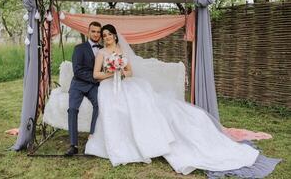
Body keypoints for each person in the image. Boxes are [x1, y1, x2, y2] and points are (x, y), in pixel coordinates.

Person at [85, 24, 280, 177]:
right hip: (109, 86)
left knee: (143, 100)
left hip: (127, 83)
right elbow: (96, 74)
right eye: (104, 36)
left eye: (110, 34)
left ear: (115, 36)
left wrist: (121, 69)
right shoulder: (102, 53)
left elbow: (130, 73)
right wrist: (112, 72)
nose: (107, 38)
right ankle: (126, 145)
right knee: (117, 107)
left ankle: (152, 139)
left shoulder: (121, 50)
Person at [65, 21, 103, 156]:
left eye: (98, 32)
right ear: (88, 32)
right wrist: (97, 77)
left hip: (94, 86)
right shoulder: (79, 48)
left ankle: (92, 138)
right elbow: (77, 71)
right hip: (78, 84)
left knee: (99, 105)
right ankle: (73, 145)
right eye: (93, 31)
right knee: (73, 109)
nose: (96, 34)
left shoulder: (104, 49)